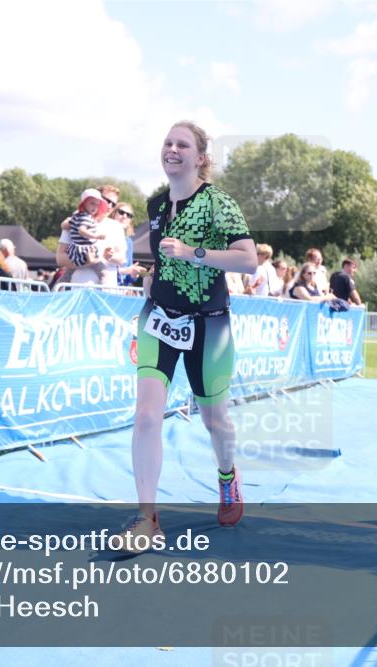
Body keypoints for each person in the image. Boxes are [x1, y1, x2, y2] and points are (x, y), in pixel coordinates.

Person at [124, 120, 257, 548]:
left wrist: (194, 254)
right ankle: (147, 519)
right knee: (146, 417)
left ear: (201, 157)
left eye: (182, 144)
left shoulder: (220, 203)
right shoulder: (157, 205)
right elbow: (164, 264)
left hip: (209, 323)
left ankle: (227, 475)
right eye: (167, 142)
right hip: (159, 319)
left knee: (215, 420)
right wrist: (149, 277)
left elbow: (248, 261)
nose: (172, 149)